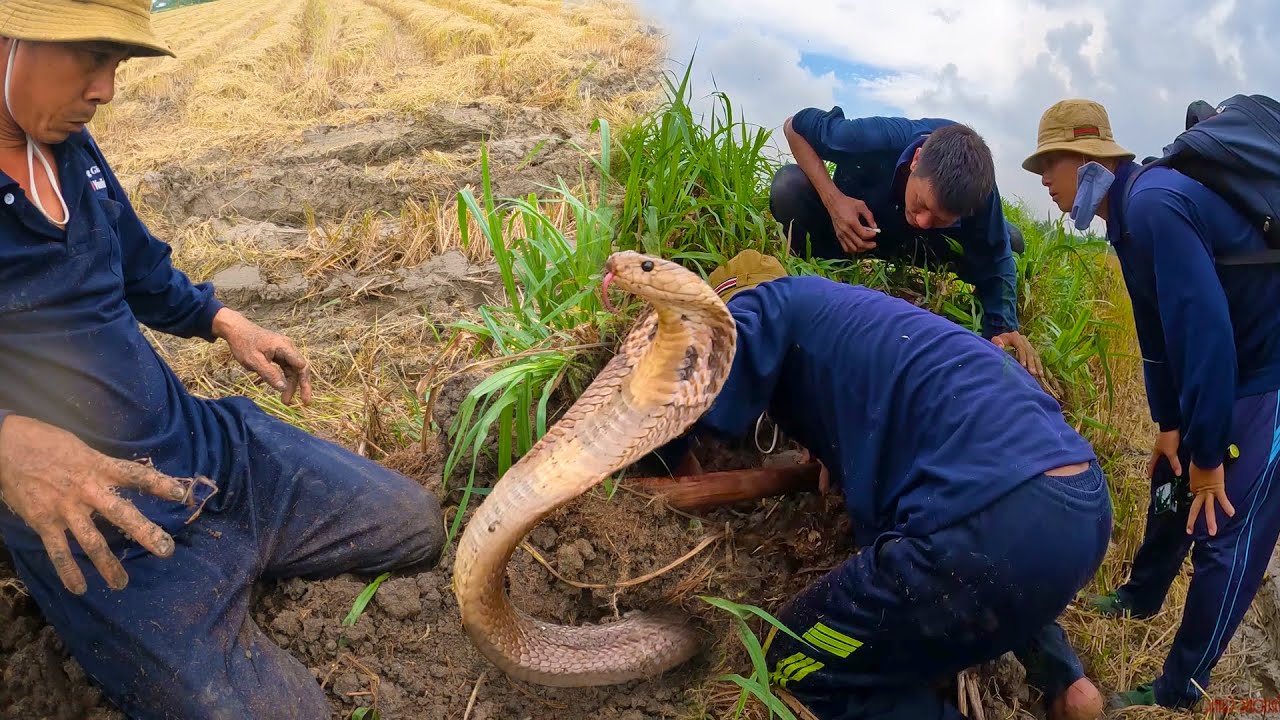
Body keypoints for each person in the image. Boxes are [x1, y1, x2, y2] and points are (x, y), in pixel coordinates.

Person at [0, 3, 445, 718]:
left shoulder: (69, 150)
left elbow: (141, 272)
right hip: (107, 522)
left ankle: (239, 548)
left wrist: (221, 318)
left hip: (206, 453)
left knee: (414, 523)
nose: (106, 90)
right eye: (91, 58)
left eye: (117, 65)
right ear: (10, 36)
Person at [655, 250, 1110, 720]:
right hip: (1080, 504)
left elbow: (686, 380)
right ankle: (1068, 684)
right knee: (1001, 569)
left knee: (789, 662)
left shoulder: (769, 302)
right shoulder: (866, 323)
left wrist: (674, 456)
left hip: (990, 523)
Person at [1021, 98, 1280, 710]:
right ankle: (1142, 594)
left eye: (1046, 170)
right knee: (1171, 475)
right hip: (1234, 362)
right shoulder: (1129, 218)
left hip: (1265, 372)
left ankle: (1179, 687)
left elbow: (1204, 335)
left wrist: (1210, 453)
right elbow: (1157, 330)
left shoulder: (1155, 203)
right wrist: (1171, 425)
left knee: (1224, 528)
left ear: (1083, 159)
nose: (1044, 185)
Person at [774, 107, 1042, 378]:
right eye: (921, 203)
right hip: (858, 231)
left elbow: (996, 257)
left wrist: (1002, 326)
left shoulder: (979, 193)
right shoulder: (872, 138)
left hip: (925, 249)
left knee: (1012, 242)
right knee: (789, 186)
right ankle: (807, 269)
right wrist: (834, 202)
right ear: (915, 160)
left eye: (940, 217)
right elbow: (793, 125)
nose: (923, 221)